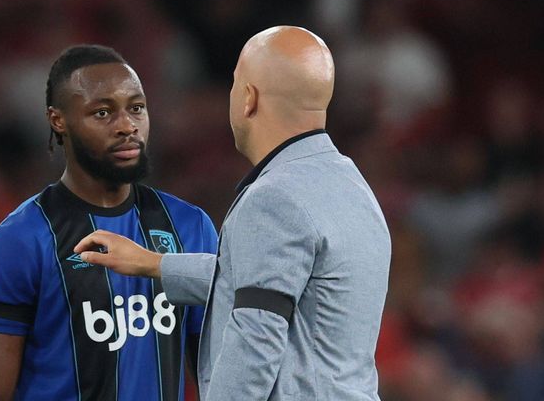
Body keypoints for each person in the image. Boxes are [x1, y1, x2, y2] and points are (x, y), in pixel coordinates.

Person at [76, 26, 392, 400]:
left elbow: (255, 338)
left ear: (248, 98)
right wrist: (156, 264)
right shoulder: (351, 185)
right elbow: (276, 279)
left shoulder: (275, 198)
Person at [0, 45, 218, 401]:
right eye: (102, 113)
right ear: (58, 120)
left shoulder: (190, 226)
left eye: (137, 108)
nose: (127, 126)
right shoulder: (21, 240)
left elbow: (218, 375)